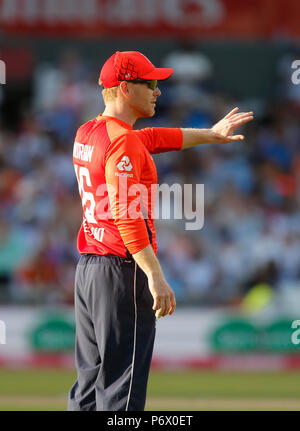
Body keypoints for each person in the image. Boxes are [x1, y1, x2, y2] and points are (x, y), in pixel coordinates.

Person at [68, 50, 253, 411]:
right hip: (122, 272)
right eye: (150, 83)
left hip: (89, 270)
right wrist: (154, 275)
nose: (158, 91)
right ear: (125, 88)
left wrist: (211, 134)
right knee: (122, 393)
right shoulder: (123, 141)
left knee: (89, 389)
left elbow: (152, 138)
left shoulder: (90, 131)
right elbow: (126, 215)